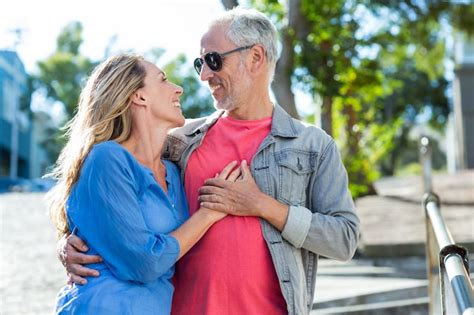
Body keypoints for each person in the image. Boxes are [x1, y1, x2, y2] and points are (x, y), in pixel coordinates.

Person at [59, 8, 360, 315]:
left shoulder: (313, 146)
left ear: (255, 58)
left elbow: (345, 239)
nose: (203, 75)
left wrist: (261, 205)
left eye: (214, 60)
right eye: (199, 63)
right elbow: (107, 200)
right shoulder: (179, 142)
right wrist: (75, 243)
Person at [48, 54, 241, 314]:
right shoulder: (107, 158)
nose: (178, 88)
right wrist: (209, 213)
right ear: (138, 96)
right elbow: (144, 263)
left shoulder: (173, 172)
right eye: (163, 80)